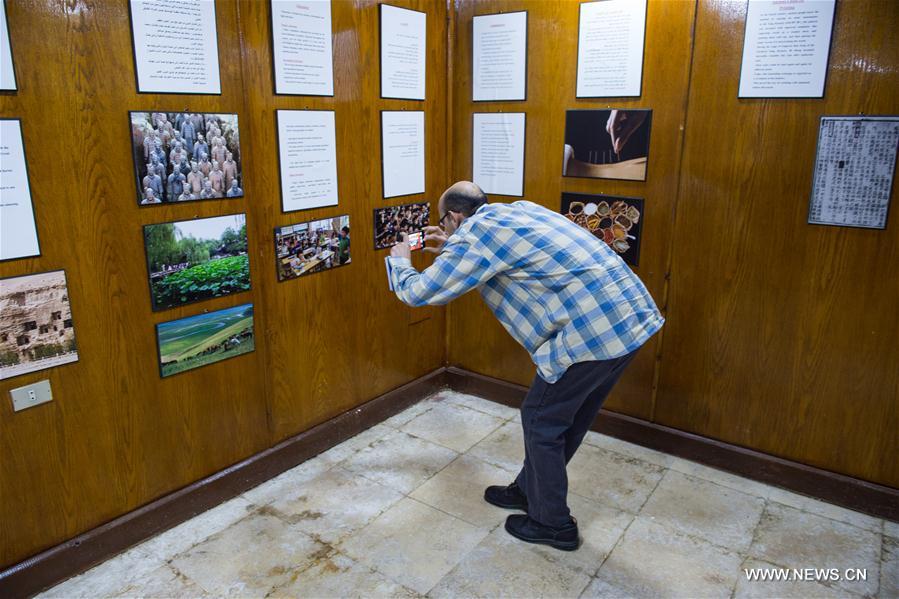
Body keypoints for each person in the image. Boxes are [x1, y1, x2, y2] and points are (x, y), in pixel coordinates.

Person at [385, 181, 664, 551]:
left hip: (594, 334)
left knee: (541, 419)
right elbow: (507, 255)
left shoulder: (476, 236)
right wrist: (453, 246)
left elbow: (419, 293)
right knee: (567, 417)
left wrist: (400, 259)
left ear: (453, 216)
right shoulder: (517, 210)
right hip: (627, 319)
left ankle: (553, 524)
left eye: (444, 221)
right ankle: (530, 490)